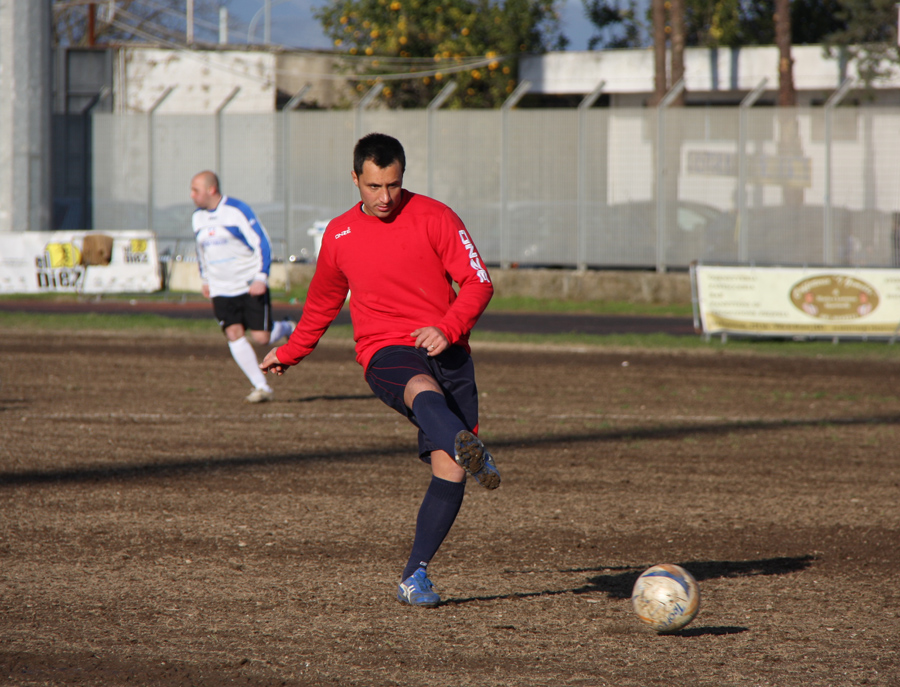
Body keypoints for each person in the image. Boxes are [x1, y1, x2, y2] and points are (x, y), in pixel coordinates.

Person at [260, 133, 499, 607]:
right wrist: (291, 352)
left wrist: (449, 327)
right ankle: (464, 442)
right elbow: (323, 303)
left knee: (450, 473)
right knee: (418, 385)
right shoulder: (340, 234)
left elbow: (478, 281)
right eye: (373, 186)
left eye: (392, 185)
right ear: (356, 179)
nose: (384, 197)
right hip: (385, 348)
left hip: (448, 348)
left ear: (402, 176)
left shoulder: (436, 217)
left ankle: (415, 576)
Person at [190, 171, 295, 403]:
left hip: (248, 285)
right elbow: (201, 252)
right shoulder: (197, 218)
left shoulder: (236, 211)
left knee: (261, 337)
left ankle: (286, 326)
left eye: (195, 190)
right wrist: (205, 279)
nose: (192, 195)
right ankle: (261, 386)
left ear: (211, 189)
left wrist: (261, 276)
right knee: (233, 333)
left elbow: (262, 242)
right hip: (220, 288)